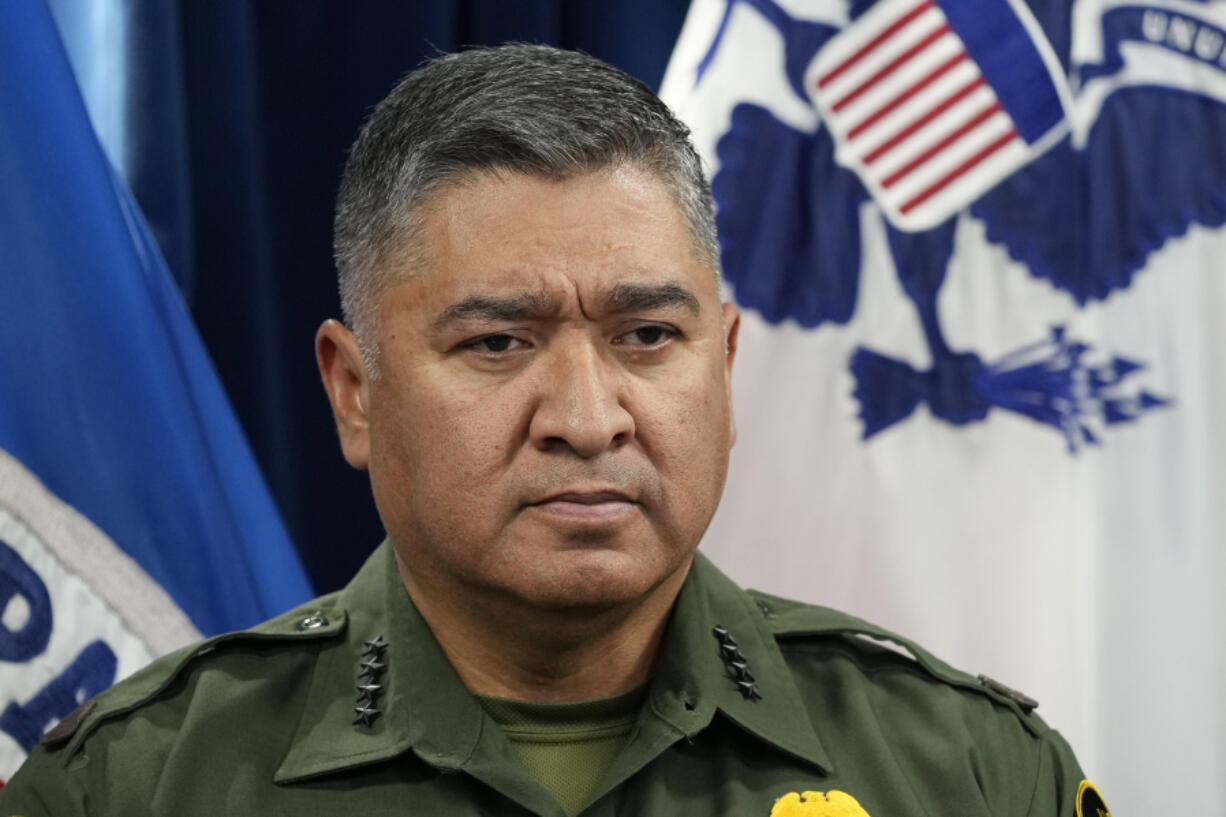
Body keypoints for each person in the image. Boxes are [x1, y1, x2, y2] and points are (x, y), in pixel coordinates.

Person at [0, 44, 1109, 817]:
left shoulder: (962, 773)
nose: (587, 419)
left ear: (723, 367)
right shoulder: (137, 788)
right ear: (354, 390)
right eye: (496, 343)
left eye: (645, 336)